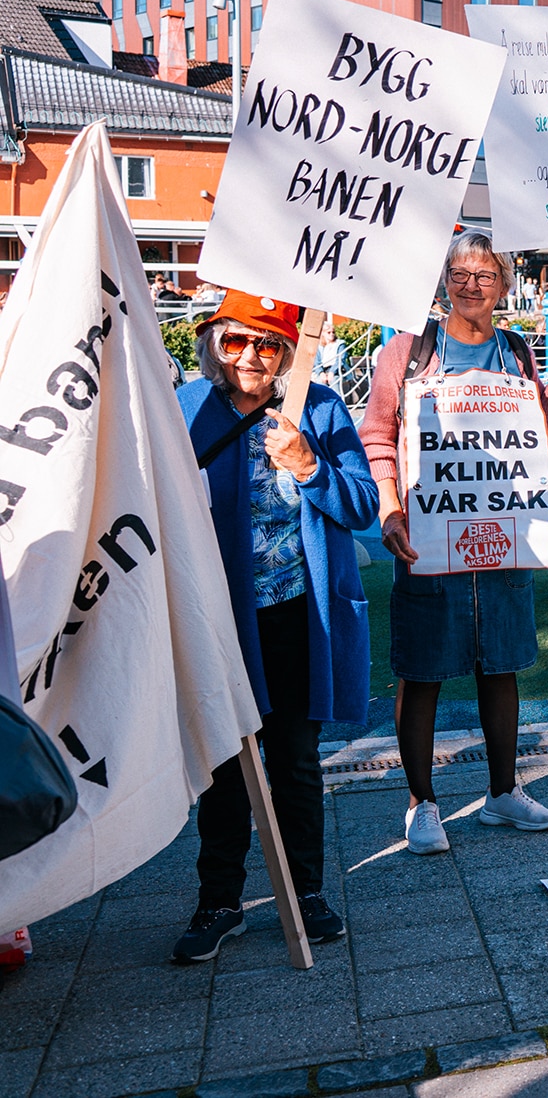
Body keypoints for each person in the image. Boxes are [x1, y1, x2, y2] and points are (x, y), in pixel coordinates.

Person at [359, 233, 548, 854]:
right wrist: (390, 509)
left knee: (502, 661)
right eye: (459, 274)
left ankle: (502, 792)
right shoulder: (407, 352)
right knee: (422, 668)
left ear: (504, 285)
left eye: (485, 275)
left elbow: (534, 439)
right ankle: (422, 802)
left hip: (502, 532)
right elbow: (377, 435)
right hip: (428, 532)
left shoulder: (516, 351)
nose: (471, 285)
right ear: (442, 284)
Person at [173, 292, 377, 963]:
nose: (251, 357)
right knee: (227, 764)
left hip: (297, 615)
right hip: (219, 615)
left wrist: (309, 466)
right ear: (213, 345)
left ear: (288, 352)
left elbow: (361, 504)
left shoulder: (317, 409)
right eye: (235, 342)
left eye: (267, 344)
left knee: (293, 759)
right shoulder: (186, 411)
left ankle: (305, 893)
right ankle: (219, 902)